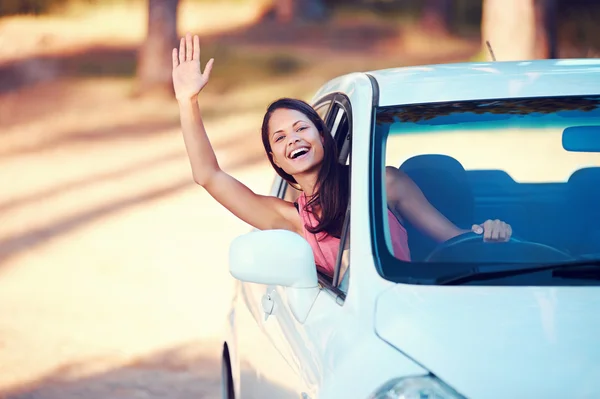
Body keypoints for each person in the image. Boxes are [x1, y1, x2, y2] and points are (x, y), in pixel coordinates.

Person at [171, 33, 512, 277]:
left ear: (321, 134)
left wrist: (490, 235)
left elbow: (453, 239)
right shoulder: (291, 219)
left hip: (409, 307)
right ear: (276, 160)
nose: (293, 139)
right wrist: (188, 102)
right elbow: (208, 176)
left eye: (300, 128)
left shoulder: (385, 184)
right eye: (280, 137)